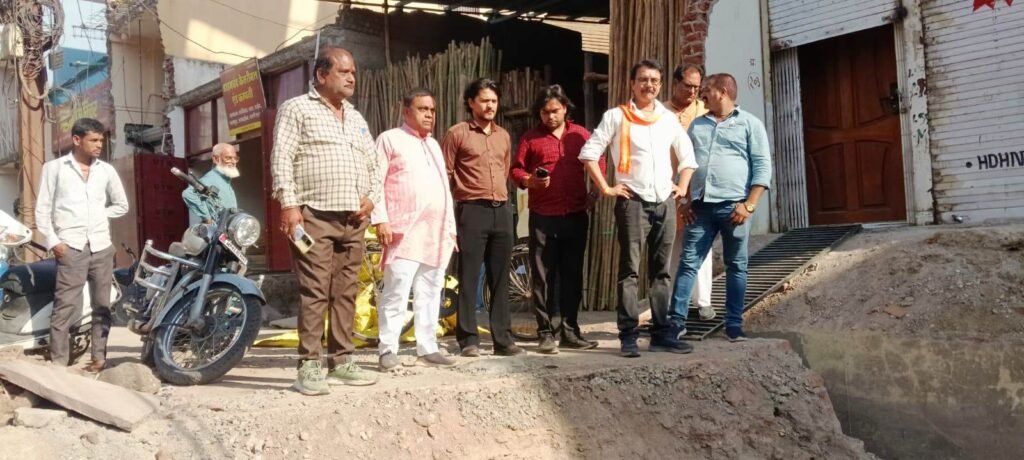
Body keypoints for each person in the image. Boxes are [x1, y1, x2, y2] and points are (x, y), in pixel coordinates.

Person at [271, 47, 382, 395]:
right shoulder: (297, 108)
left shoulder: (357, 117)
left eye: (354, 73)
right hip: (314, 215)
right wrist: (289, 206)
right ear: (321, 75)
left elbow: (374, 166)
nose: (351, 78)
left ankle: (342, 361)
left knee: (346, 292)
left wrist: (371, 198)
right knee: (315, 291)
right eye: (343, 72)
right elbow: (282, 158)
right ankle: (309, 365)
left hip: (354, 219)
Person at [579, 59, 697, 358]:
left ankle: (661, 334)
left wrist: (682, 186)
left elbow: (687, 156)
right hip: (632, 202)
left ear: (661, 84)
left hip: (664, 202)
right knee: (629, 271)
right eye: (643, 79)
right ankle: (629, 335)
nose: (649, 85)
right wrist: (606, 188)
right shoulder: (616, 116)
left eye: (654, 80)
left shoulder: (667, 118)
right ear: (632, 84)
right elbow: (589, 153)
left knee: (662, 272)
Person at [669, 73, 772, 342]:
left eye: (707, 89)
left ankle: (734, 325)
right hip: (700, 208)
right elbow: (686, 164)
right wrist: (684, 200)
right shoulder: (697, 125)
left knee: (736, 265)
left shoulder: (750, 124)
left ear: (723, 92)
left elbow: (762, 167)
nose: (701, 94)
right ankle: (676, 322)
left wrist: (749, 205)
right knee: (688, 262)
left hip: (735, 208)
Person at [510, 84, 603, 354]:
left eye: (555, 111)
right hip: (543, 217)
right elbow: (516, 170)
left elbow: (599, 160)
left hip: (575, 214)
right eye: (544, 112)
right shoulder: (531, 139)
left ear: (565, 108)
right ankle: (545, 333)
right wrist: (530, 181)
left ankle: (570, 331)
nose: (550, 117)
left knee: (572, 275)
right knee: (542, 277)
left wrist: (596, 191)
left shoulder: (581, 135)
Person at [371, 88, 458, 370]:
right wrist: (380, 219)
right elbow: (375, 182)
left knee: (431, 290)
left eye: (432, 110)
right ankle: (387, 349)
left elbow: (444, 189)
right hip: (403, 230)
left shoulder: (433, 145)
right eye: (423, 109)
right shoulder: (389, 139)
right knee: (397, 290)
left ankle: (428, 347)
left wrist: (450, 228)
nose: (429, 115)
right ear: (406, 111)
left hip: (435, 232)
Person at [35, 117, 129, 371]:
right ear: (77, 140)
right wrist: (55, 242)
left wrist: (98, 214)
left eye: (101, 140)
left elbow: (122, 205)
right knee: (65, 305)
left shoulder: (106, 171)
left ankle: (99, 358)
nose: (99, 145)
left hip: (101, 246)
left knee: (102, 305)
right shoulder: (55, 168)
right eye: (93, 140)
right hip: (71, 247)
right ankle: (59, 363)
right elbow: (42, 210)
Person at [442, 78, 522, 358]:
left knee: (500, 277)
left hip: (501, 209)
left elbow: (505, 169)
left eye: (494, 101)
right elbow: (446, 174)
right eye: (484, 100)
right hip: (472, 210)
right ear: (471, 102)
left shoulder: (503, 136)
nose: (490, 106)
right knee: (469, 275)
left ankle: (503, 340)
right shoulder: (457, 133)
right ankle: (468, 339)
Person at [666, 65, 715, 326]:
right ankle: (673, 302)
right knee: (671, 245)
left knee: (700, 242)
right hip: (667, 188)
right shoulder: (660, 113)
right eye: (688, 85)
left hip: (698, 189)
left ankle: (703, 301)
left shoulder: (705, 112)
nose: (692, 91)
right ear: (675, 83)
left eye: (697, 87)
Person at [182, 143, 240, 222]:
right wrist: (207, 218)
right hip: (219, 228)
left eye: (235, 158)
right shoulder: (211, 178)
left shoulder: (224, 179)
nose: (233, 162)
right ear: (216, 159)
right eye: (228, 158)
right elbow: (188, 194)